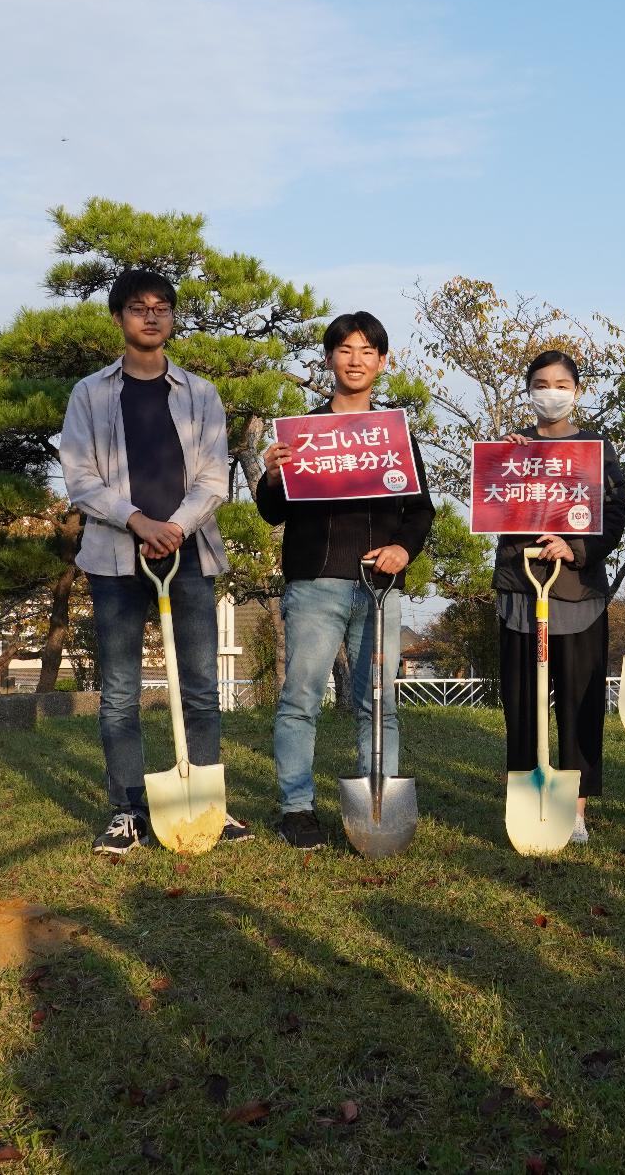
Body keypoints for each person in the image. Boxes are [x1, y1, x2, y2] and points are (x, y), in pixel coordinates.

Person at [59, 267, 250, 855]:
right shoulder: (90, 393)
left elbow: (216, 478)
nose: (151, 315)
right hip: (114, 558)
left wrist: (174, 528)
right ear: (118, 318)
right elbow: (80, 478)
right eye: (138, 307)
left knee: (199, 686)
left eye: (161, 306)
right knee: (118, 690)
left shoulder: (201, 394)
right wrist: (138, 521)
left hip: (189, 556)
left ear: (172, 318)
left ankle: (206, 802)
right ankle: (127, 810)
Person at [257, 312, 434, 850]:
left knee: (379, 702)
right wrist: (271, 476)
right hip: (315, 584)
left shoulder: (395, 434)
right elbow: (272, 513)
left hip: (381, 588)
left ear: (383, 362)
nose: (355, 360)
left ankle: (379, 801)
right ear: (329, 358)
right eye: (345, 349)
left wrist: (404, 548)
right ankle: (297, 807)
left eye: (367, 351)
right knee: (300, 698)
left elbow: (419, 510)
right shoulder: (301, 434)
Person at [494, 350, 625, 843]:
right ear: (528, 390)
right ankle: (528, 801)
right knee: (522, 703)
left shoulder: (597, 449)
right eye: (540, 383)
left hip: (577, 592)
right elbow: (490, 505)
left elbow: (615, 515)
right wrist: (500, 462)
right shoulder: (512, 447)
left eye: (560, 384)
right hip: (519, 586)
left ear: (576, 392)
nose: (550, 392)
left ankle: (575, 810)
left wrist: (574, 549)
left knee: (580, 703)